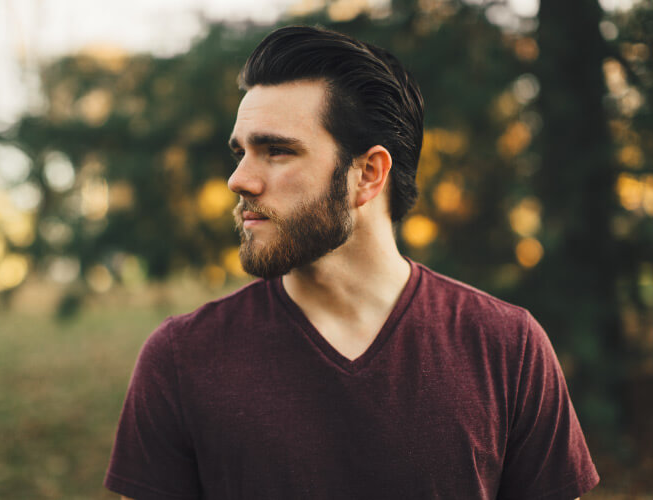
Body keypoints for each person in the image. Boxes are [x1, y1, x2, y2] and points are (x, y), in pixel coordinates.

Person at [104, 25, 599, 499]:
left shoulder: (507, 348)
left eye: (277, 151)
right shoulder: (181, 358)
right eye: (241, 152)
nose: (239, 180)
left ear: (367, 174)